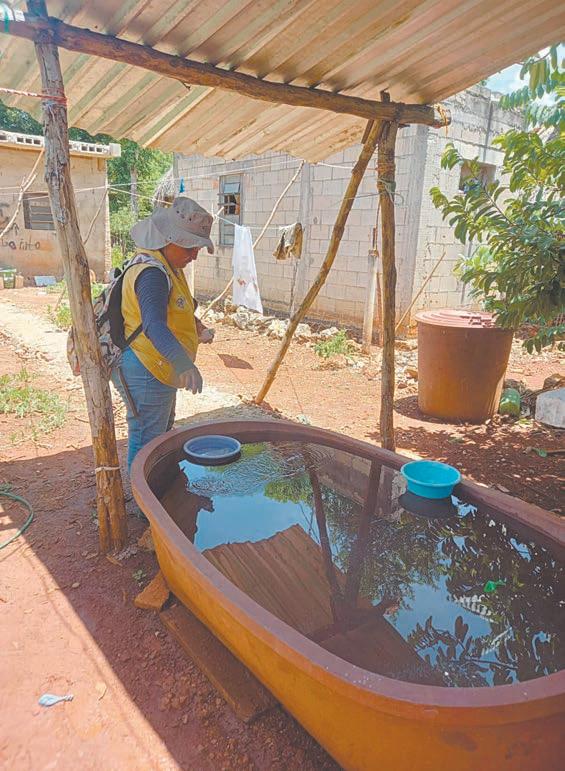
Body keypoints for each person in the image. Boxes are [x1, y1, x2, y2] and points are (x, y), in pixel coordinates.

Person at [111, 196, 215, 473]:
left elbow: (171, 308)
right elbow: (154, 325)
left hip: (158, 365)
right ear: (170, 239)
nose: (194, 256)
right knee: (147, 439)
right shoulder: (152, 274)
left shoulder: (168, 266)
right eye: (190, 247)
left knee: (160, 434)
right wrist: (184, 364)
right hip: (146, 367)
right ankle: (141, 496)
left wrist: (196, 326)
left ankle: (155, 487)